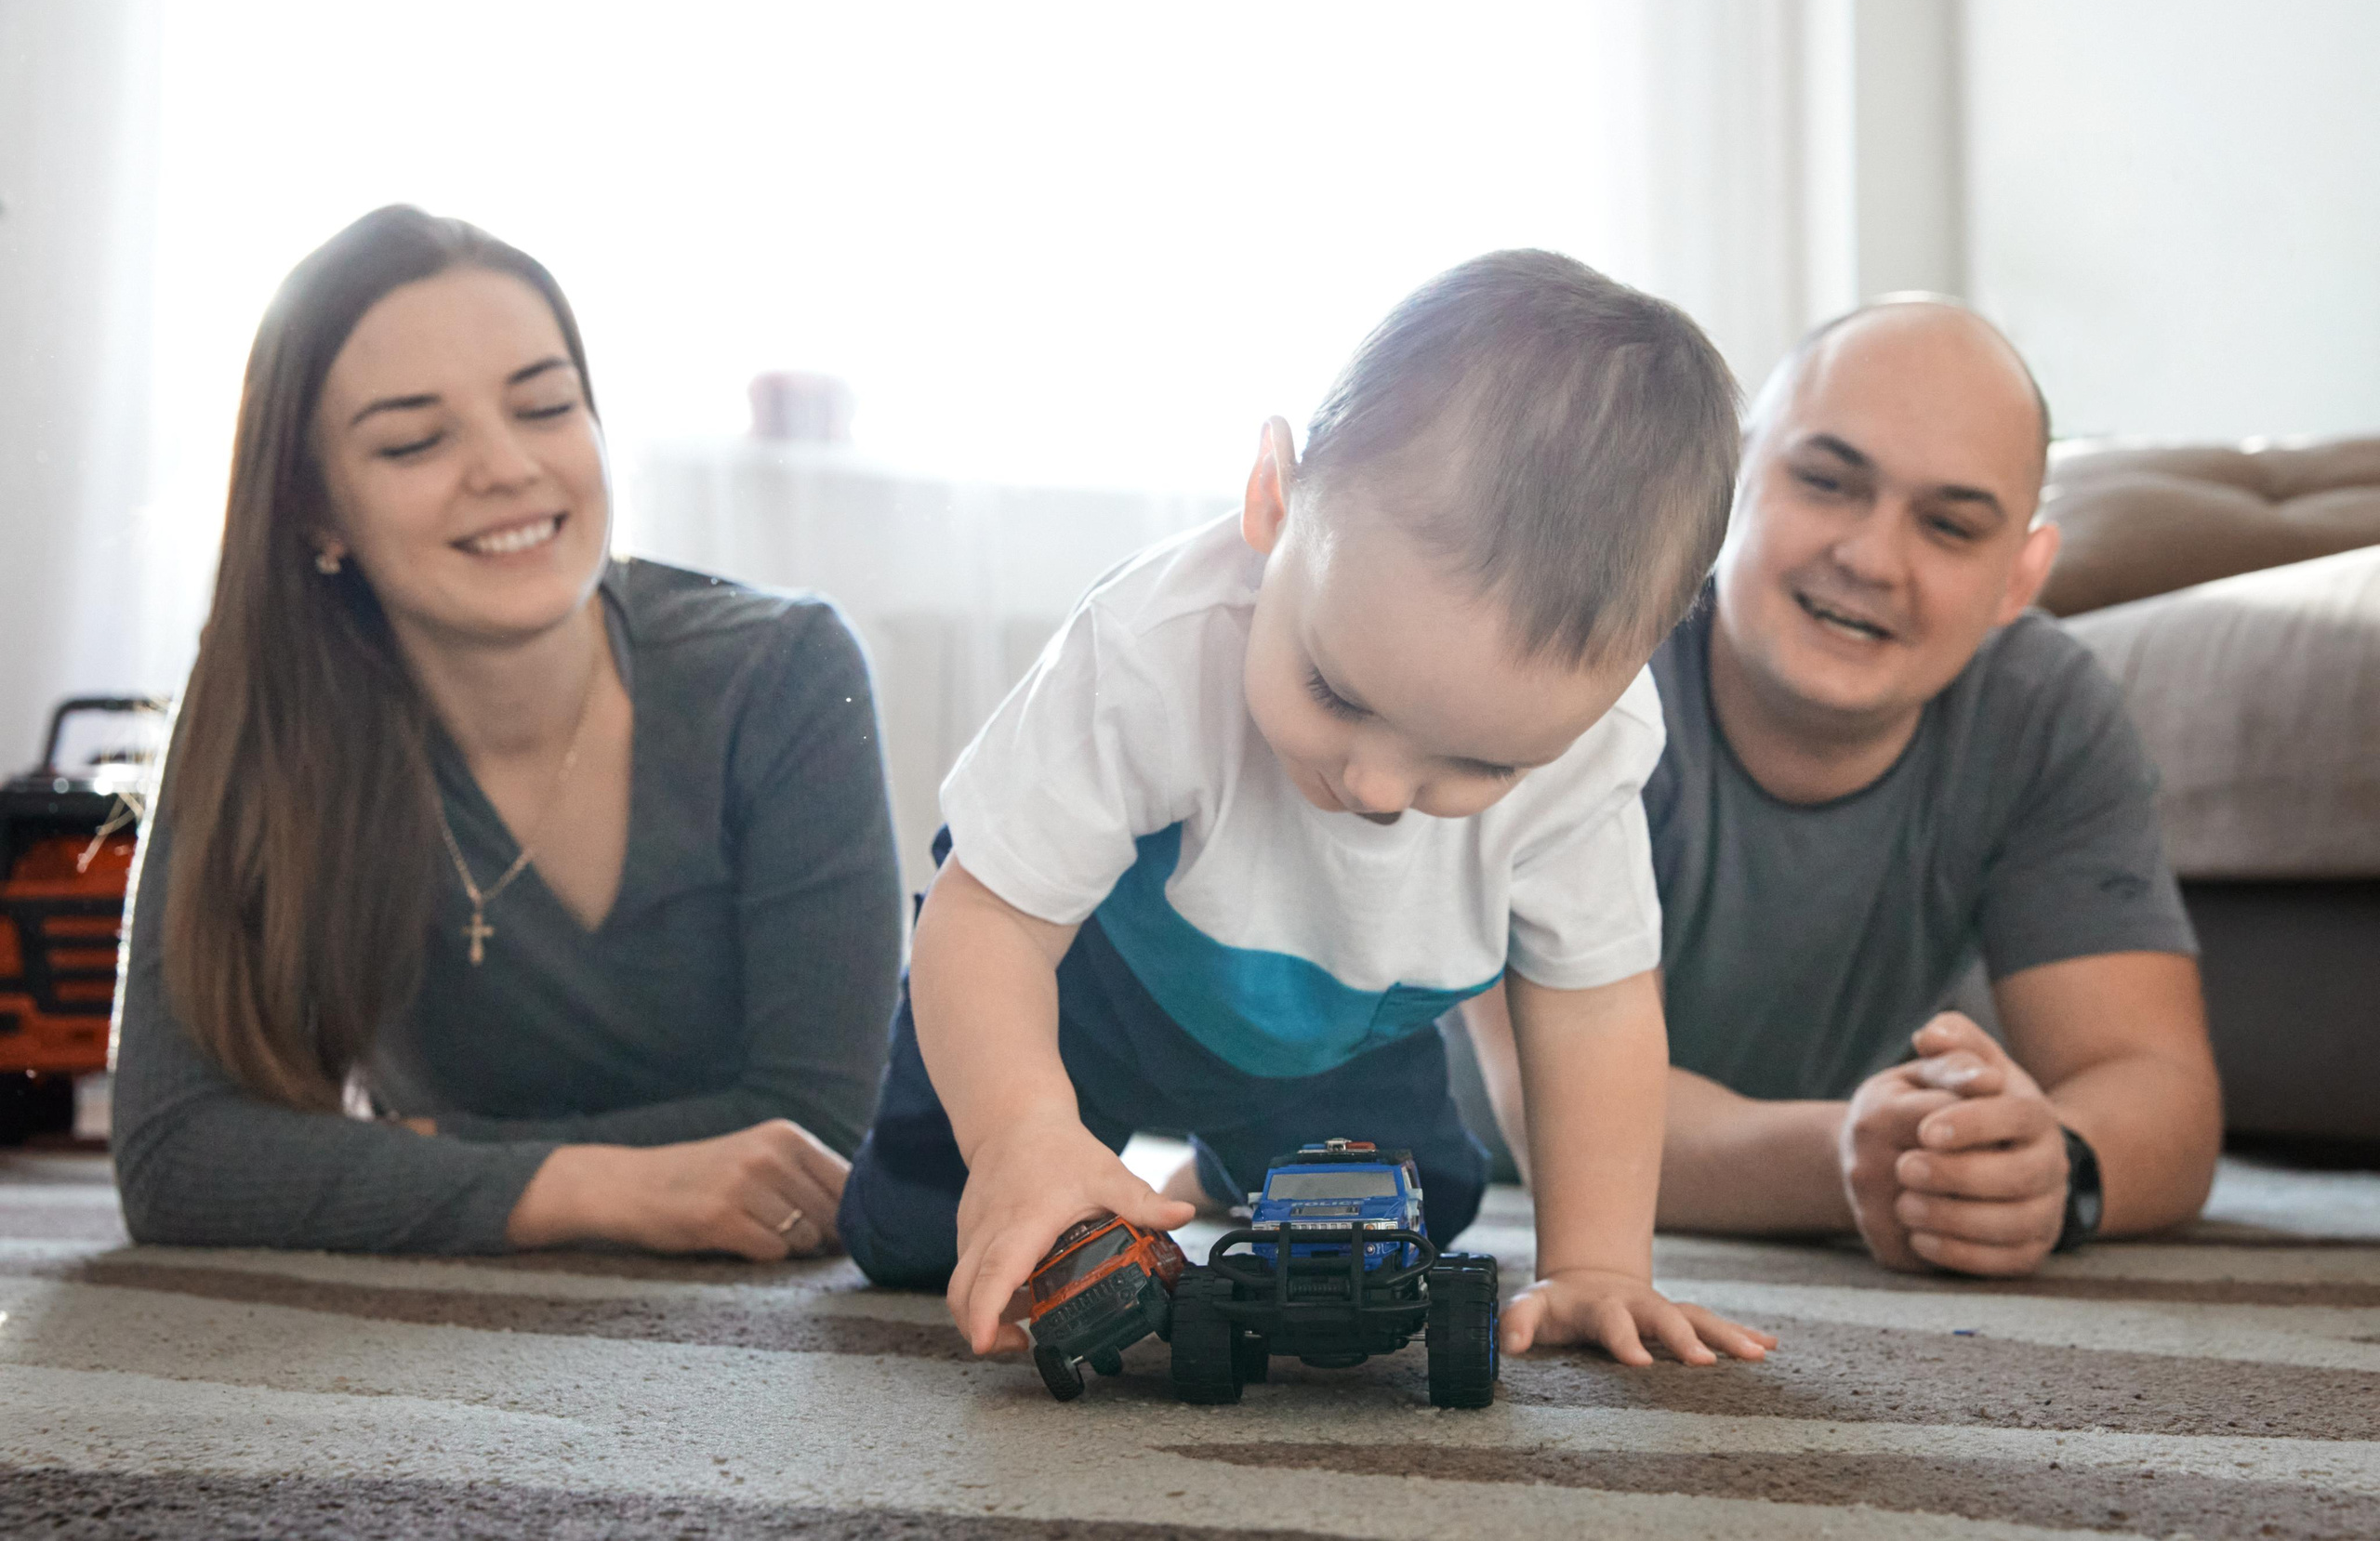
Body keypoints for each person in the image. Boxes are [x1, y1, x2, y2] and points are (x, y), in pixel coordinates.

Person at [838, 251, 1775, 1369]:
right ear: (1275, 500)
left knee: (1424, 1218)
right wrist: (1018, 1131)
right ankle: (1047, 1146)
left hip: (1331, 1033)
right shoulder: (1153, 646)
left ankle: (1226, 1171)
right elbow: (988, 917)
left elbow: (1594, 1009)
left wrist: (1598, 1264)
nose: (1376, 791)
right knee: (911, 1229)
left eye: (1476, 766)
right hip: (1084, 981)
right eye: (1334, 691)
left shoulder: (1595, 753)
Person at [111, 206, 904, 1260]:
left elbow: (820, 1134)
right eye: (414, 441)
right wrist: (594, 1187)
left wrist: (431, 1151)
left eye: (544, 407)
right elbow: (176, 1160)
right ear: (314, 511)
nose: (506, 467)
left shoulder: (784, 672)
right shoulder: (269, 707)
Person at [1466, 300, 2222, 1278]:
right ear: (1730, 478)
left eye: (1949, 527)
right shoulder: (1589, 660)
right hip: (1363, 1141)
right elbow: (1565, 1127)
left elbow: (2157, 1085)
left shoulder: (2042, 709)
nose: (1869, 559)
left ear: (2017, 579)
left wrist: (2050, 1164)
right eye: (1825, 482)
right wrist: (1867, 1158)